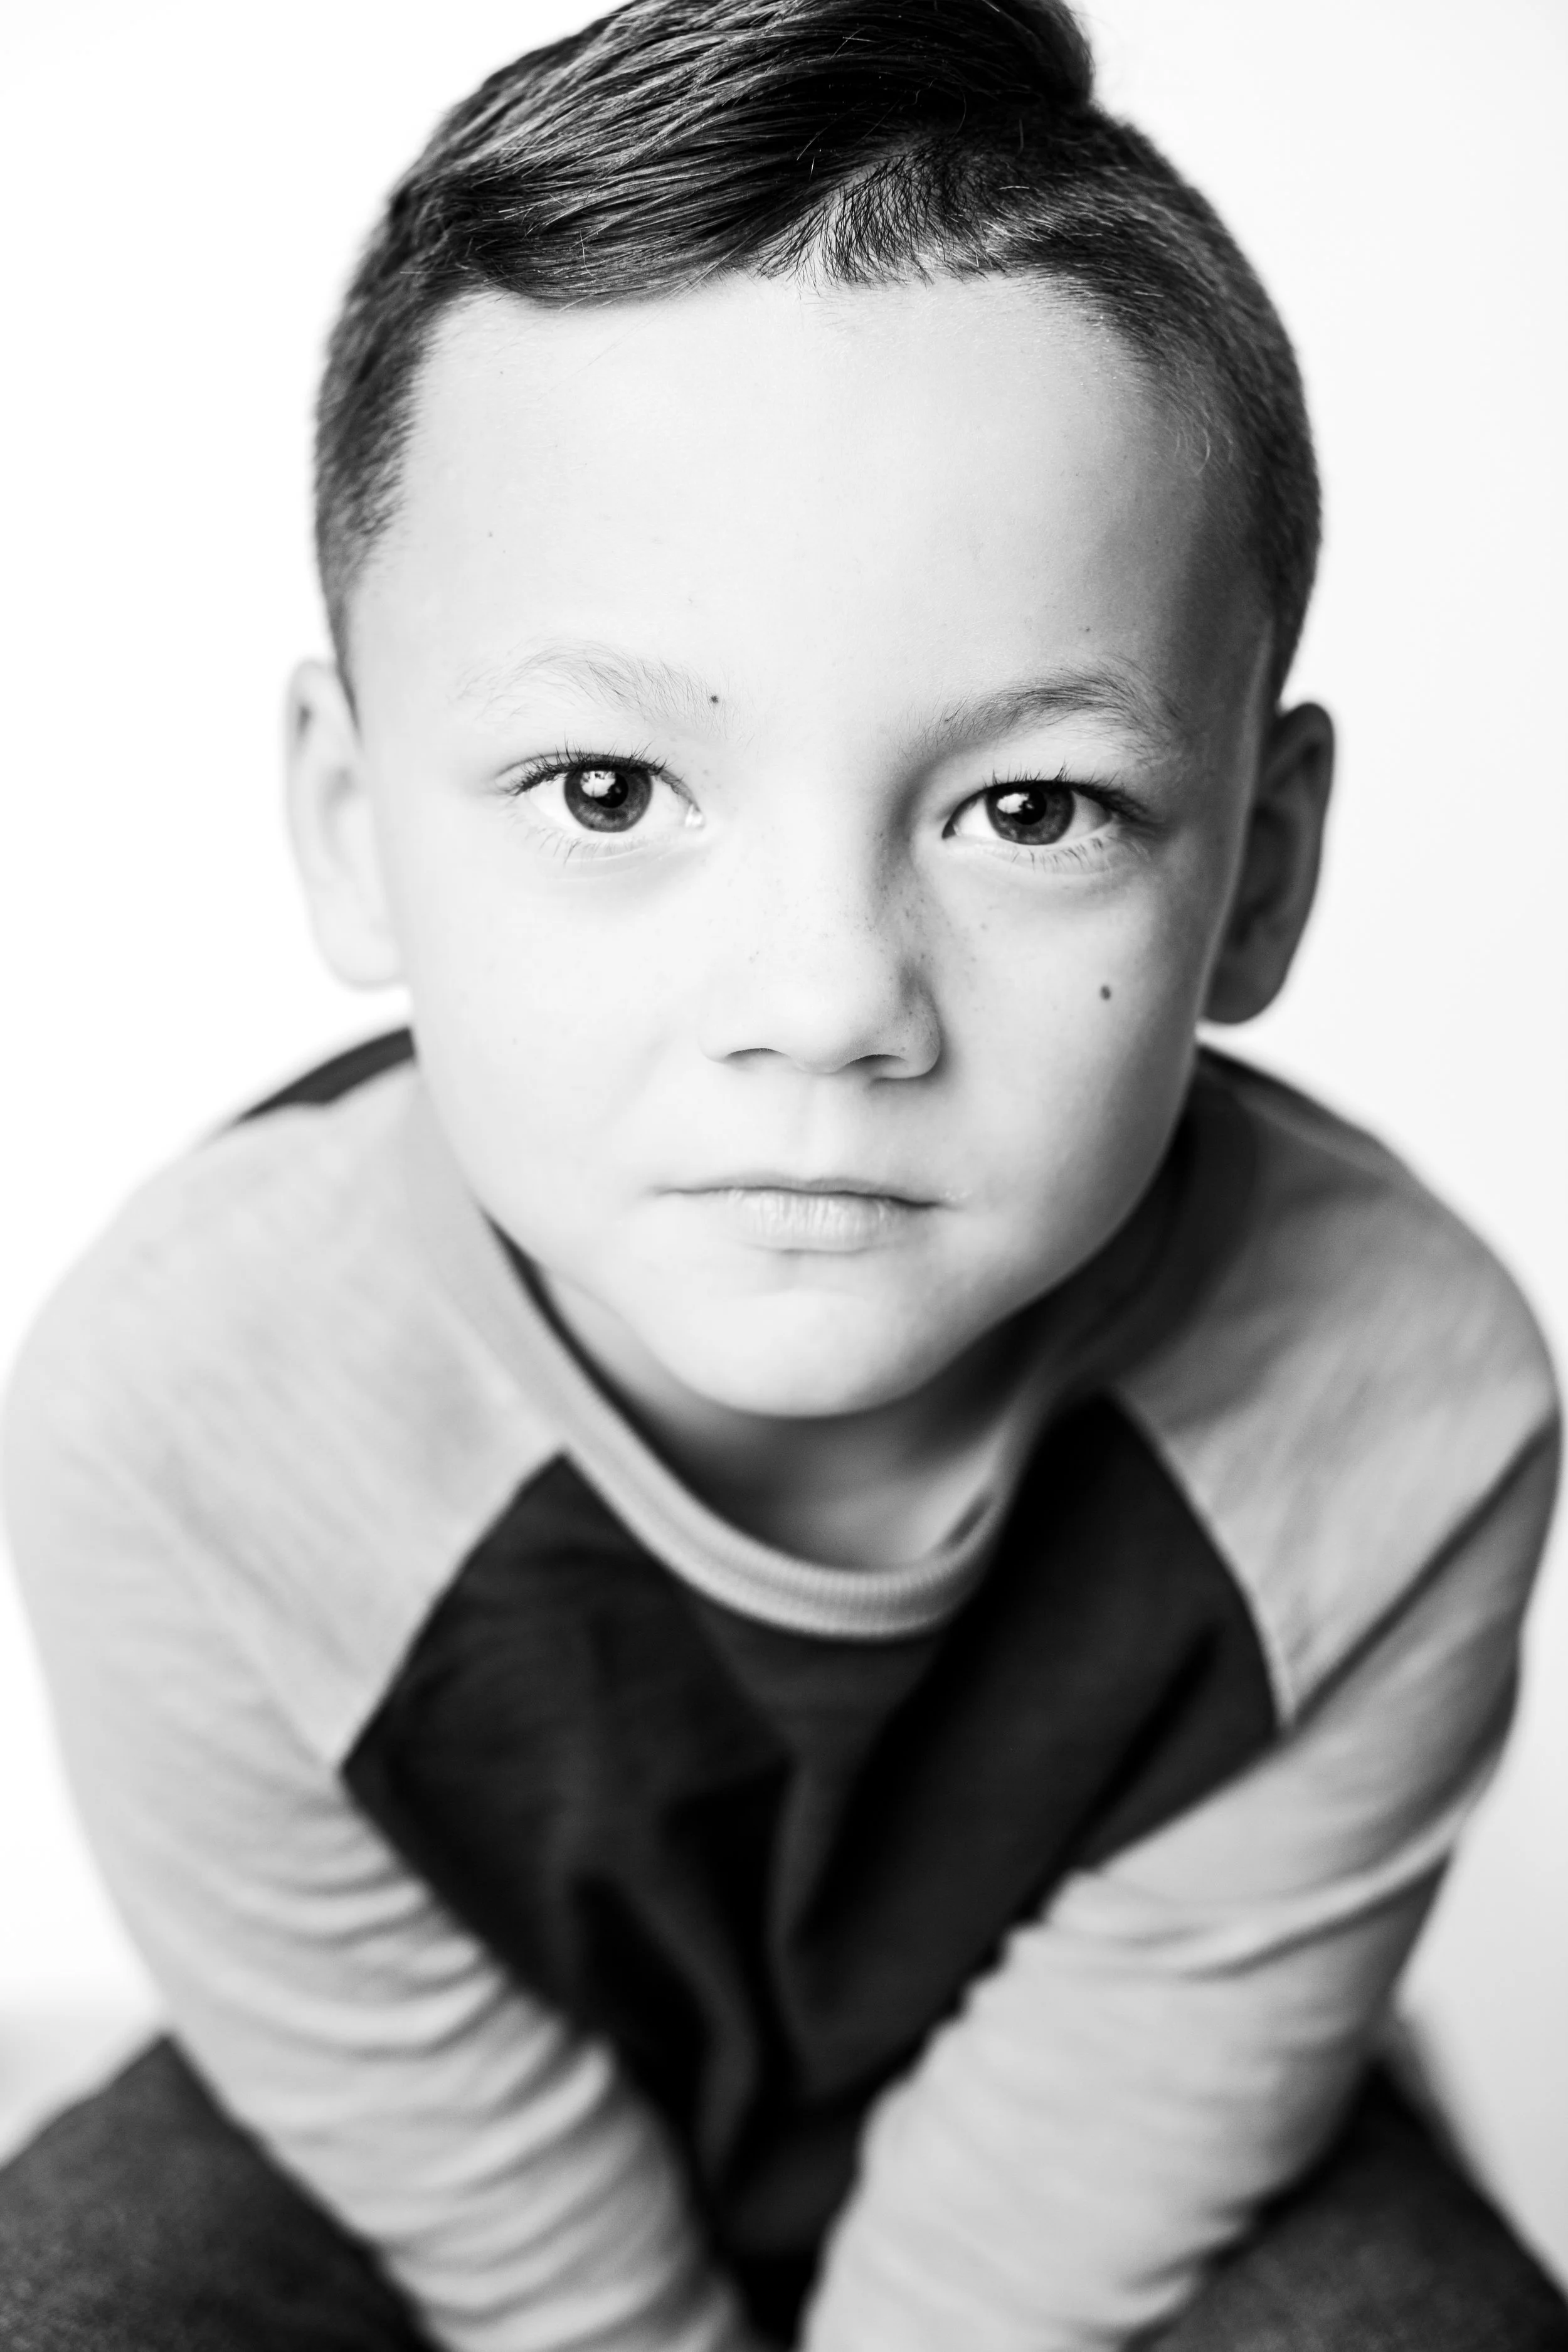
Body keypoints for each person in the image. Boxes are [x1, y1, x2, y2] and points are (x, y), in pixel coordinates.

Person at [1, 1, 1563, 2346]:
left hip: (1114, 2156)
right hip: (438, 2149)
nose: (828, 998)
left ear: (1252, 873)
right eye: (610, 792)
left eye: (1034, 809)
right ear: (351, 827)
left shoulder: (1403, 1411)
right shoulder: (182, 1402)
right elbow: (482, 2185)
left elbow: (1037, 2221)